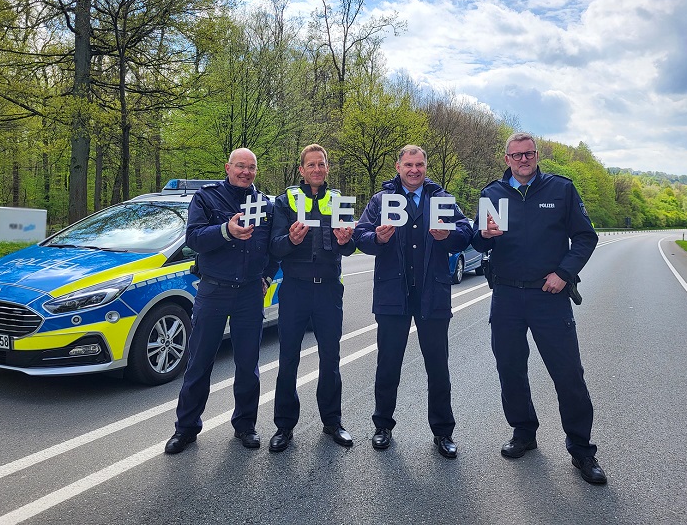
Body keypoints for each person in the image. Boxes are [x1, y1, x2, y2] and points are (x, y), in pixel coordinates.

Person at [471, 132, 606, 484]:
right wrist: (483, 236)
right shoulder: (491, 194)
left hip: (550, 296)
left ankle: (581, 450)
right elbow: (475, 239)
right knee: (510, 370)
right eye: (516, 155)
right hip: (506, 297)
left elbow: (586, 237)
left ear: (537, 155)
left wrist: (564, 273)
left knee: (568, 374)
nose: (523, 160)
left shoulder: (561, 189)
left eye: (528, 154)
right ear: (507, 160)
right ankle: (524, 432)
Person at [354, 145, 473, 458]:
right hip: (393, 293)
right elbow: (361, 237)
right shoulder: (381, 201)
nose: (414, 170)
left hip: (432, 293)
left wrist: (446, 237)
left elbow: (465, 234)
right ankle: (382, 426)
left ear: (425, 166)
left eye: (419, 164)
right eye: (408, 164)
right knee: (388, 365)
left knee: (438, 367)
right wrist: (377, 238)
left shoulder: (442, 199)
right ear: (398, 166)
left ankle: (443, 432)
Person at [165, 148, 278, 454]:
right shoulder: (207, 198)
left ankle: (245, 426)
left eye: (251, 167)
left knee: (247, 366)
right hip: (213, 291)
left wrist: (266, 278)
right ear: (228, 167)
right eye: (240, 166)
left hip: (250, 295)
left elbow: (274, 248)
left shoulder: (266, 204)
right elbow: (194, 238)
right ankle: (186, 429)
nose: (246, 172)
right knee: (199, 363)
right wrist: (226, 230)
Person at [267, 144, 356, 452]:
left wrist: (347, 242)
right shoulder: (285, 201)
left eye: (322, 164)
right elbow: (275, 247)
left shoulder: (338, 201)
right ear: (301, 169)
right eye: (311, 165)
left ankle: (332, 422)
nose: (317, 169)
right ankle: (284, 426)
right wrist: (290, 239)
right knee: (288, 358)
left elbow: (348, 248)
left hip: (329, 289)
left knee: (330, 358)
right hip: (295, 288)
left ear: (327, 168)